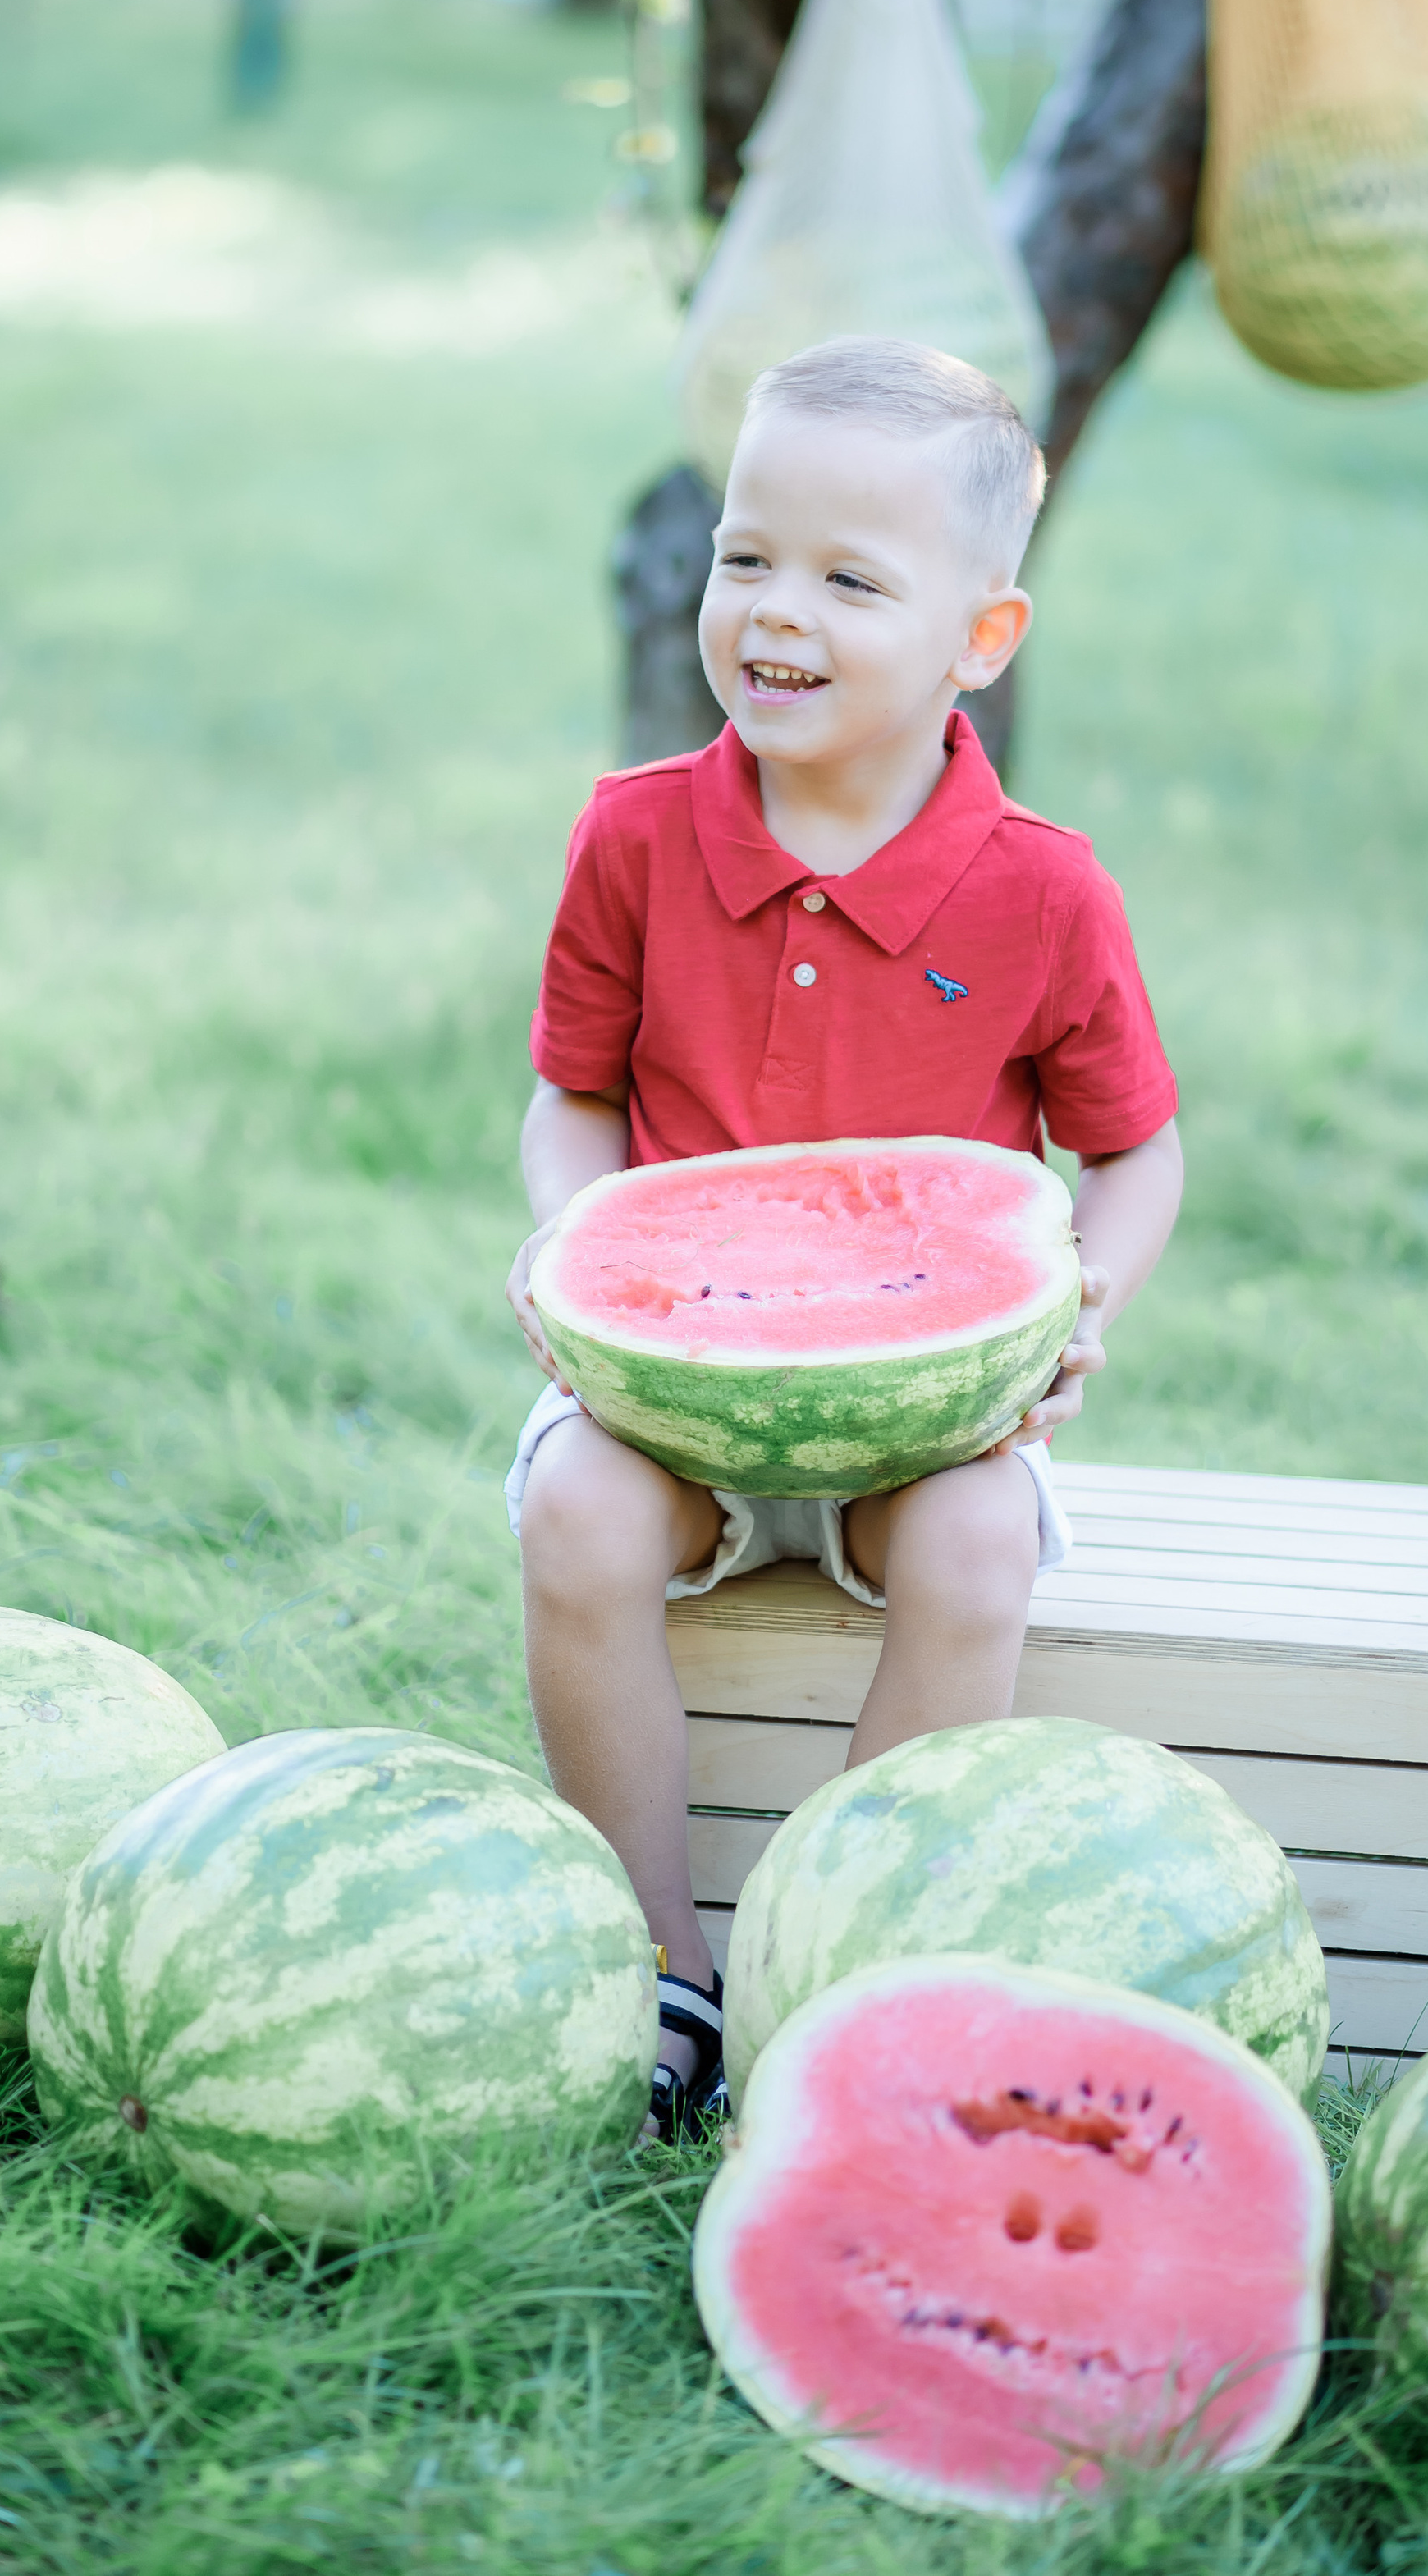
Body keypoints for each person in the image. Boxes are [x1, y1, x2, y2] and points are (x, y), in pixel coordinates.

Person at [503, 335, 1183, 2138]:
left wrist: (1078, 1295)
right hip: (666, 1387)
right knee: (572, 1510)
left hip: (927, 1402)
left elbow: (1135, 1148)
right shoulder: (632, 840)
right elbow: (568, 1094)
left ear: (980, 637)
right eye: (745, 556)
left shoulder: (1041, 887)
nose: (772, 612)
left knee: (972, 1550)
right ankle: (647, 1959)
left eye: (846, 578)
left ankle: (836, 1957)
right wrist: (568, 1243)